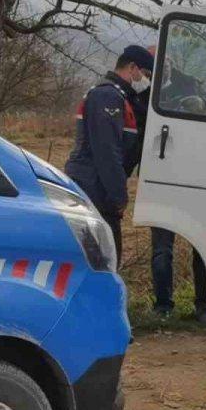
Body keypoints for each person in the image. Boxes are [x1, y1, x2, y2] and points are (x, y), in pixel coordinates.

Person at [64, 44, 154, 267]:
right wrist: (118, 195)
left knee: (106, 256)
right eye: (146, 74)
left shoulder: (122, 96)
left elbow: (143, 120)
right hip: (94, 188)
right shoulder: (107, 96)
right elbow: (107, 152)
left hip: (99, 187)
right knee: (104, 260)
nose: (146, 80)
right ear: (132, 68)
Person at [148, 52, 206, 324]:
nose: (162, 68)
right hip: (162, 177)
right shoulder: (146, 94)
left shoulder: (190, 85)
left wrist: (197, 104)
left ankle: (204, 305)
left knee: (202, 245)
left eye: (165, 63)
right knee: (162, 250)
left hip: (196, 178)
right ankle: (163, 305)